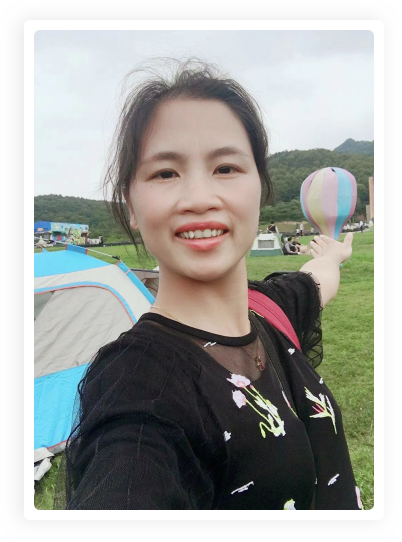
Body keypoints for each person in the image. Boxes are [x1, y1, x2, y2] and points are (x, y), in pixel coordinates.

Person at [63, 59, 360, 510]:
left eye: (225, 168)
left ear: (259, 186)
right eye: (165, 173)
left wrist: (333, 254)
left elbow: (318, 279)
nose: (199, 199)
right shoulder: (140, 386)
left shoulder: (271, 309)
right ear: (131, 205)